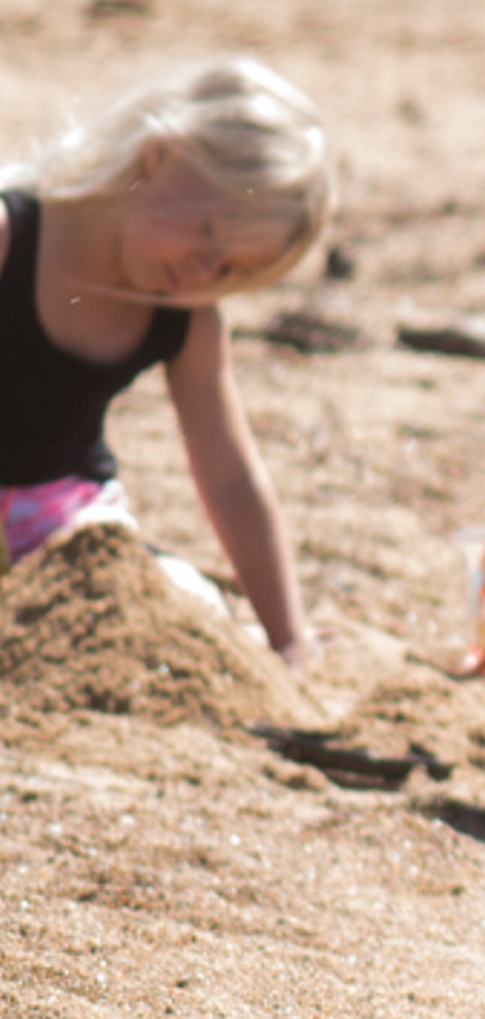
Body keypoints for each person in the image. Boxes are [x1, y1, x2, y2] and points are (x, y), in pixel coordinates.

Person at [2, 59, 335, 668]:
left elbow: (230, 477)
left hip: (63, 526)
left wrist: (289, 636)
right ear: (158, 156)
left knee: (190, 609)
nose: (204, 272)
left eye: (233, 268)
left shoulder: (187, 318)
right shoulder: (10, 235)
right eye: (208, 233)